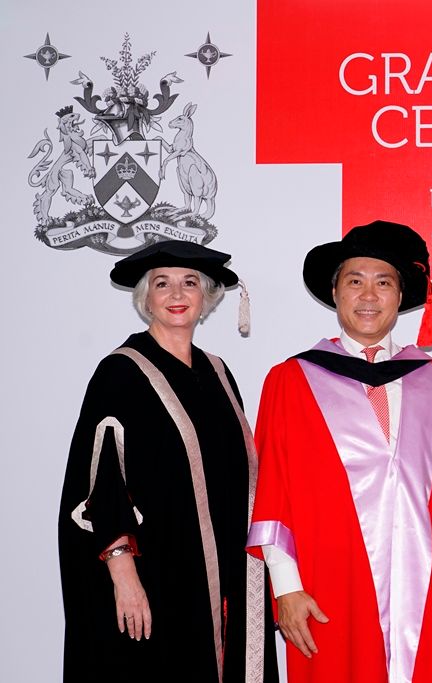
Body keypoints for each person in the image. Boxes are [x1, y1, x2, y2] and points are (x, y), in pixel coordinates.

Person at [246, 220, 432, 683]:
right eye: (354, 282)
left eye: (384, 283)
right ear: (334, 293)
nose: (369, 296)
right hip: (326, 584)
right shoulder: (292, 382)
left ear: (401, 297)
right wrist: (287, 588)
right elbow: (273, 491)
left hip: (423, 589)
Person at [57, 240, 277, 682]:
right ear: (146, 299)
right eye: (163, 284)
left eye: (189, 283)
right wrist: (123, 574)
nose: (177, 295)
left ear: (206, 297)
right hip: (156, 574)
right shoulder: (119, 372)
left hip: (222, 573)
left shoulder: (217, 370)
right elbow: (100, 482)